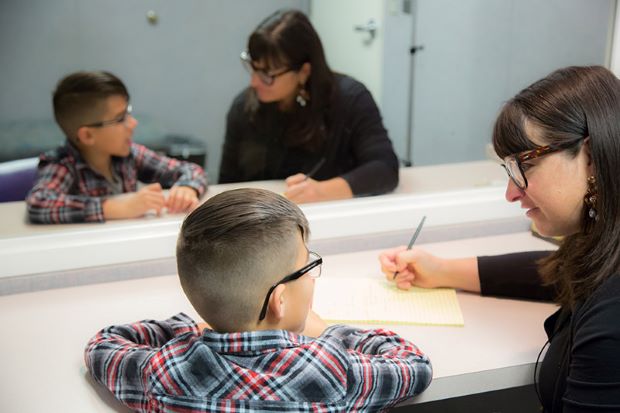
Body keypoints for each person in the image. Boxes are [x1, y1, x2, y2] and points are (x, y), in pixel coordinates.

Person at [379, 66, 620, 412]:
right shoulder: (603, 246)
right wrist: (441, 271)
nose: (511, 193)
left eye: (524, 166)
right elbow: (552, 272)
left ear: (592, 159)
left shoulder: (612, 314)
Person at [85, 188, 432, 412]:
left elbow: (103, 347)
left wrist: (197, 327)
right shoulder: (331, 370)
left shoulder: (166, 372)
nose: (312, 276)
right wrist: (329, 331)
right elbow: (414, 365)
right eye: (307, 266)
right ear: (278, 301)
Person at [219, 9, 399, 204]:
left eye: (267, 75)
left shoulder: (350, 99)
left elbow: (384, 167)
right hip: (262, 220)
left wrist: (323, 191)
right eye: (253, 67)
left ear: (304, 71)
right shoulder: (244, 108)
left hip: (332, 212)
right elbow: (226, 184)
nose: (254, 82)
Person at [26, 71, 207, 224]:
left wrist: (187, 188)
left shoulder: (128, 154)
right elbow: (38, 203)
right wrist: (116, 207)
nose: (133, 123)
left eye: (128, 113)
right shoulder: (62, 164)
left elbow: (192, 170)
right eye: (121, 119)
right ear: (87, 135)